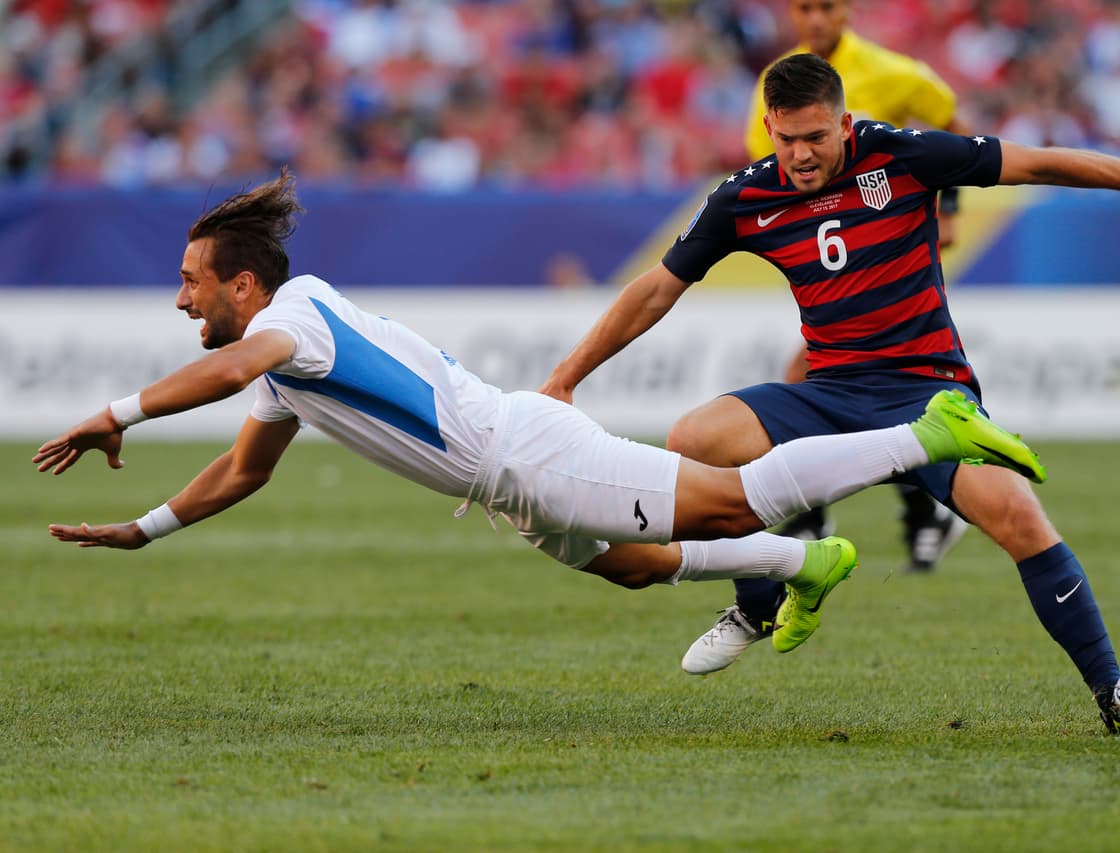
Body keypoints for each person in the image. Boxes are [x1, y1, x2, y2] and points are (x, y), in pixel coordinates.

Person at [32, 168, 1048, 660]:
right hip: (508, 480)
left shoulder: (291, 323)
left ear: (242, 286)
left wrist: (115, 411)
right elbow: (244, 469)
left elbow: (219, 376)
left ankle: (926, 434)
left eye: (190, 283)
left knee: (732, 505)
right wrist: (147, 526)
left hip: (523, 452)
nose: (179, 299)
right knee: (633, 565)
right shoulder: (285, 355)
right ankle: (801, 566)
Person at [540, 54, 1120, 731]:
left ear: (843, 125)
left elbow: (1040, 162)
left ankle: (1114, 695)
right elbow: (656, 289)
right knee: (694, 440)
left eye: (815, 137)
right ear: (769, 130)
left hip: (928, 392)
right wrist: (565, 378)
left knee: (1017, 516)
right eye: (786, 140)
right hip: (830, 391)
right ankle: (757, 604)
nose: (801, 155)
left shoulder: (904, 156)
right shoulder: (745, 196)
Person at [743, 0, 977, 585]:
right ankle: (926, 512)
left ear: (845, 11)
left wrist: (946, 204)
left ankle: (808, 517)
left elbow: (952, 124)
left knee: (823, 382)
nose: (815, 19)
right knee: (864, 393)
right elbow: (767, 167)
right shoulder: (775, 85)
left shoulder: (891, 72)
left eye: (826, 7)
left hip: (886, 252)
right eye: (804, 8)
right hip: (825, 260)